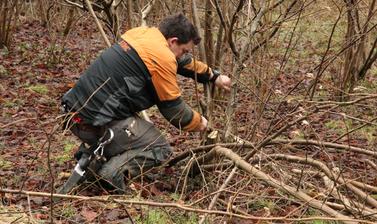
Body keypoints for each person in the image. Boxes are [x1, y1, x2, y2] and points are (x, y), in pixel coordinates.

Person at [61, 13, 231, 193]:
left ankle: (96, 159)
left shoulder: (145, 36)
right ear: (173, 41)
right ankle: (111, 173)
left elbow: (182, 61)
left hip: (74, 111)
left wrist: (213, 76)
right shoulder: (162, 57)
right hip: (92, 122)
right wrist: (200, 123)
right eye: (185, 50)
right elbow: (174, 111)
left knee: (136, 133)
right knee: (159, 148)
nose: (184, 55)